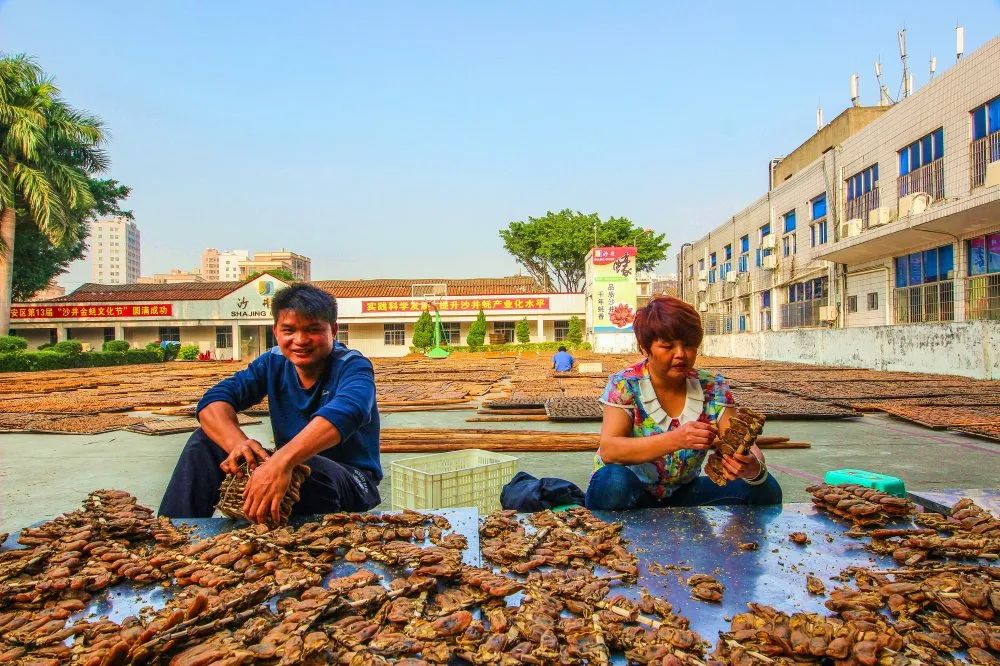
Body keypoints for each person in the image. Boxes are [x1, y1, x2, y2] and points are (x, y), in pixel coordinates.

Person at [158, 284, 381, 524]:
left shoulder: (352, 365)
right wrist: (238, 444)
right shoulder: (272, 362)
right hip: (290, 465)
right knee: (205, 440)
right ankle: (172, 530)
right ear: (276, 331)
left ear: (333, 330)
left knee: (302, 464)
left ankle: (302, 539)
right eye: (289, 330)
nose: (300, 340)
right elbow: (214, 401)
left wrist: (281, 461)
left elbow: (349, 410)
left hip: (351, 478)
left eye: (313, 330)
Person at [585, 296, 781, 510]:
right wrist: (676, 439)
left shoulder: (712, 388)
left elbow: (742, 441)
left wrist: (749, 466)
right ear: (644, 347)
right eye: (667, 346)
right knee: (613, 482)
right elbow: (610, 450)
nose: (680, 354)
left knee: (765, 489)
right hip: (633, 490)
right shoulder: (625, 385)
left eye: (688, 345)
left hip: (684, 492)